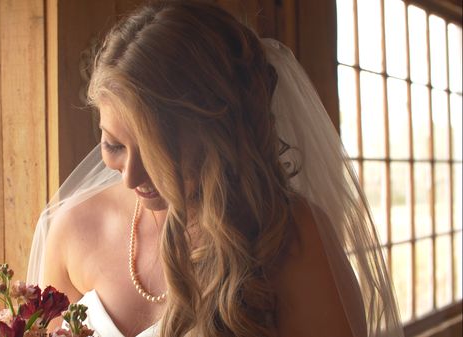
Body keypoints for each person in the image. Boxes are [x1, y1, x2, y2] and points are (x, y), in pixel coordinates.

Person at [27, 1, 404, 336]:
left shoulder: (291, 240)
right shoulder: (74, 229)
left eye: (161, 152)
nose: (130, 177)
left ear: (220, 135)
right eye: (114, 145)